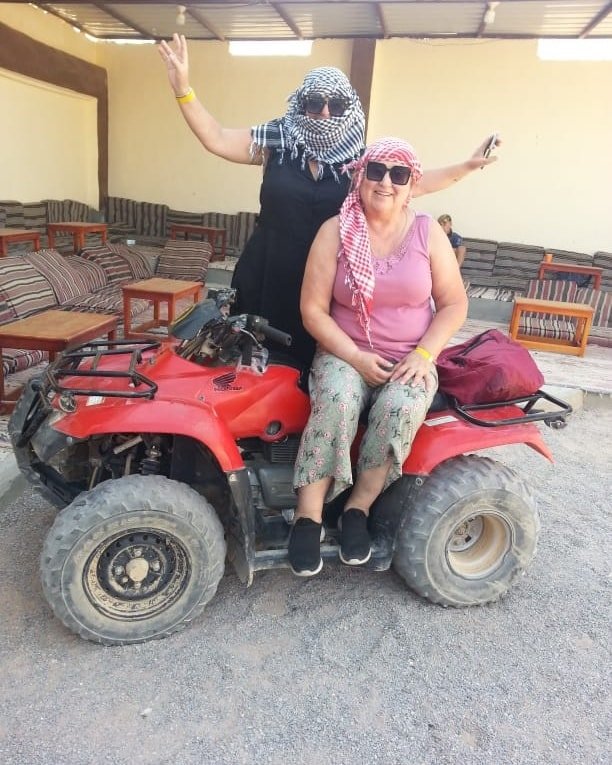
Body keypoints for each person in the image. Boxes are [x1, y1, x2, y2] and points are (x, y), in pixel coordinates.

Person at [158, 34, 495, 366]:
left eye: (336, 105)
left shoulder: (359, 162)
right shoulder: (276, 142)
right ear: (301, 103)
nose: (324, 112)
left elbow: (413, 183)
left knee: (307, 367)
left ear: (348, 109)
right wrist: (183, 89)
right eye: (314, 102)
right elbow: (216, 137)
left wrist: (467, 166)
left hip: (325, 279)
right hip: (266, 271)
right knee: (252, 361)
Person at [288, 137, 468, 576]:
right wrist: (355, 356)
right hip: (343, 353)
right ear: (360, 177)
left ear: (411, 186)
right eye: (377, 171)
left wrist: (424, 354)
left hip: (410, 357)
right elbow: (312, 310)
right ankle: (308, 516)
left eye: (398, 174)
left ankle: (358, 509)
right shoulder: (335, 231)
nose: (386, 182)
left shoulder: (428, 232)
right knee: (338, 400)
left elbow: (454, 304)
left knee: (400, 407)